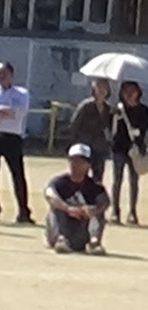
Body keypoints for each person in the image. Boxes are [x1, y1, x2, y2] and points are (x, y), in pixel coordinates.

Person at [0, 62, 34, 224]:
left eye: (4, 73)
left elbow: (20, 113)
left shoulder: (22, 93)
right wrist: (6, 111)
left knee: (18, 175)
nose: (1, 76)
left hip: (12, 138)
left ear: (12, 75)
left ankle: (23, 211)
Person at [42, 144, 110, 255]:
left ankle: (94, 242)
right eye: (72, 160)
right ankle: (60, 240)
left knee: (98, 213)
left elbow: (105, 202)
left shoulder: (95, 187)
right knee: (55, 209)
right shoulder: (59, 182)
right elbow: (49, 194)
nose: (75, 164)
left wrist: (92, 210)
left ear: (88, 165)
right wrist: (67, 208)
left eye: (80, 161)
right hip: (61, 228)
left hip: (81, 232)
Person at [109, 80, 147, 225]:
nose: (129, 94)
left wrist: (144, 145)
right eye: (126, 91)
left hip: (137, 150)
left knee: (134, 181)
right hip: (119, 148)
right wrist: (115, 117)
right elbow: (111, 129)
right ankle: (115, 211)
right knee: (117, 180)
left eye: (133, 91)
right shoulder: (117, 110)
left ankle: (132, 211)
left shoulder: (144, 110)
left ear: (138, 92)